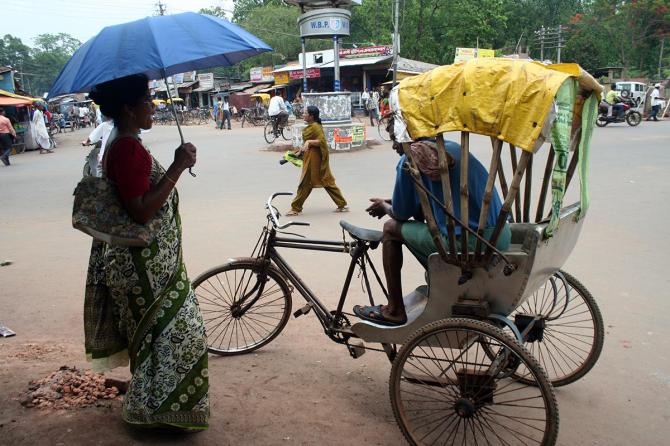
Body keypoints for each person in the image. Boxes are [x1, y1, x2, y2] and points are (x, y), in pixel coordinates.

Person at [85, 73, 209, 430]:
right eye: (146, 100)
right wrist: (177, 167)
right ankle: (156, 414)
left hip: (152, 265)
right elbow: (140, 209)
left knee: (159, 339)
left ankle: (154, 410)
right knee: (180, 335)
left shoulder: (126, 142)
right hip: (143, 267)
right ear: (128, 108)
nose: (152, 106)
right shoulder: (125, 147)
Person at [353, 125, 510, 326]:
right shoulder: (451, 148)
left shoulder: (409, 161)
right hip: (500, 234)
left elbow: (400, 214)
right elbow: (421, 203)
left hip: (471, 243)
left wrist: (384, 207)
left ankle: (394, 310)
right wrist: (390, 202)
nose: (393, 145)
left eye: (395, 139)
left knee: (390, 229)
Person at [287, 105, 348, 216]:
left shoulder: (315, 127)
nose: (303, 114)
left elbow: (321, 142)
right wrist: (300, 151)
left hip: (314, 160)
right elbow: (309, 143)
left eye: (306, 113)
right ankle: (342, 204)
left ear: (311, 116)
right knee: (327, 181)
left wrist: (309, 142)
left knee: (305, 183)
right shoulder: (312, 126)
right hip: (311, 157)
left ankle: (295, 208)